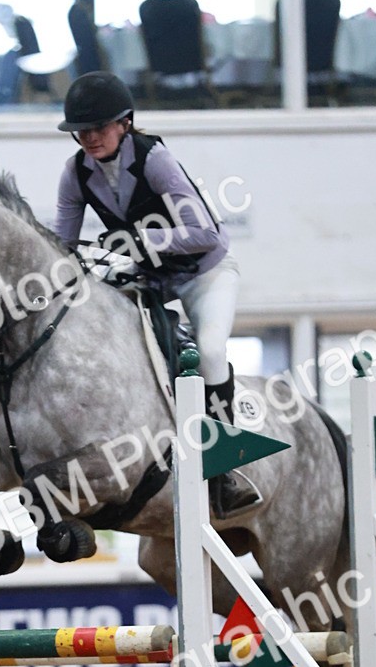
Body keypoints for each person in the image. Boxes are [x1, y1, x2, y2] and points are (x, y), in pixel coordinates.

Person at [53, 70, 260, 519]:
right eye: (81, 131)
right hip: (150, 279)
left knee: (208, 349)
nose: (88, 138)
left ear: (124, 123)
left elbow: (204, 231)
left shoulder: (155, 160)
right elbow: (61, 246)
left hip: (204, 272)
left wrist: (138, 241)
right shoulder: (76, 174)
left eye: (98, 128)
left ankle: (226, 469)